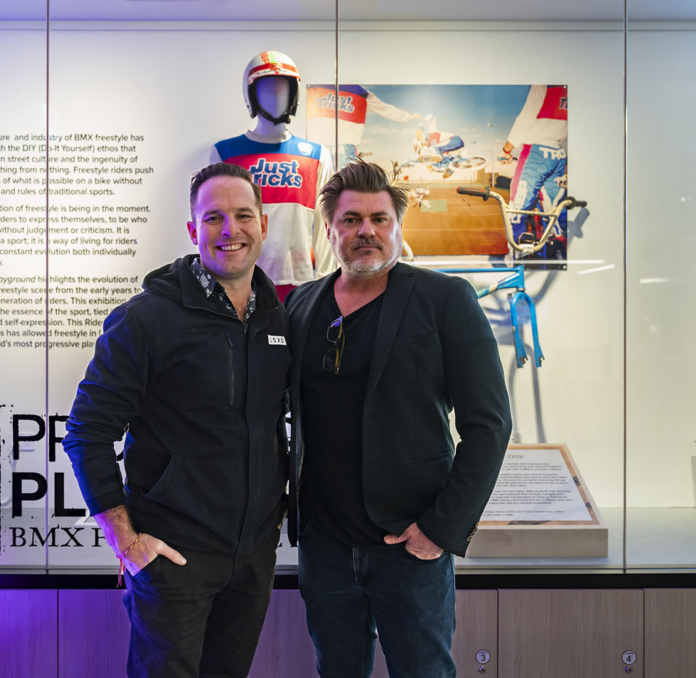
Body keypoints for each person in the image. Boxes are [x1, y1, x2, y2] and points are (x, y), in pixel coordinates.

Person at [284, 160, 512, 677]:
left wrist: (442, 529)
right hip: (325, 546)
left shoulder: (443, 299)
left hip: (410, 544)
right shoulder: (301, 306)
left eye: (380, 219)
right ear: (330, 230)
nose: (366, 230)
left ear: (397, 227)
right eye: (351, 220)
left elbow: (489, 424)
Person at [62, 163, 291, 678]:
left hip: (252, 557)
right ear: (193, 231)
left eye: (242, 215)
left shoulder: (275, 317)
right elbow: (87, 431)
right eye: (214, 218)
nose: (230, 229)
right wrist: (127, 541)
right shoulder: (146, 320)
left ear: (263, 225)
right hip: (173, 557)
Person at [211, 51, 336, 300]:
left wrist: (326, 283)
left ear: (294, 95)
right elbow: (213, 222)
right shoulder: (226, 152)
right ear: (251, 95)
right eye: (267, 89)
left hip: (302, 281)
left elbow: (325, 225)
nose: (277, 96)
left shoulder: (316, 154)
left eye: (284, 89)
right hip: (243, 280)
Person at [502, 84, 569, 260]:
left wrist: (507, 148)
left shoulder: (542, 82)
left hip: (536, 153)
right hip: (559, 153)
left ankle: (515, 256)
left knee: (517, 209)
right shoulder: (569, 86)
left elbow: (526, 118)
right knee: (554, 211)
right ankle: (557, 250)